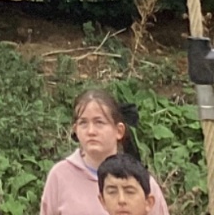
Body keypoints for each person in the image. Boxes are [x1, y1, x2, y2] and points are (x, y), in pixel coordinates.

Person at [40, 90, 169, 215]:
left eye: (99, 122)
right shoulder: (60, 176)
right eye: (83, 123)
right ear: (75, 130)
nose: (91, 131)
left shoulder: (141, 180)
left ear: (119, 131)